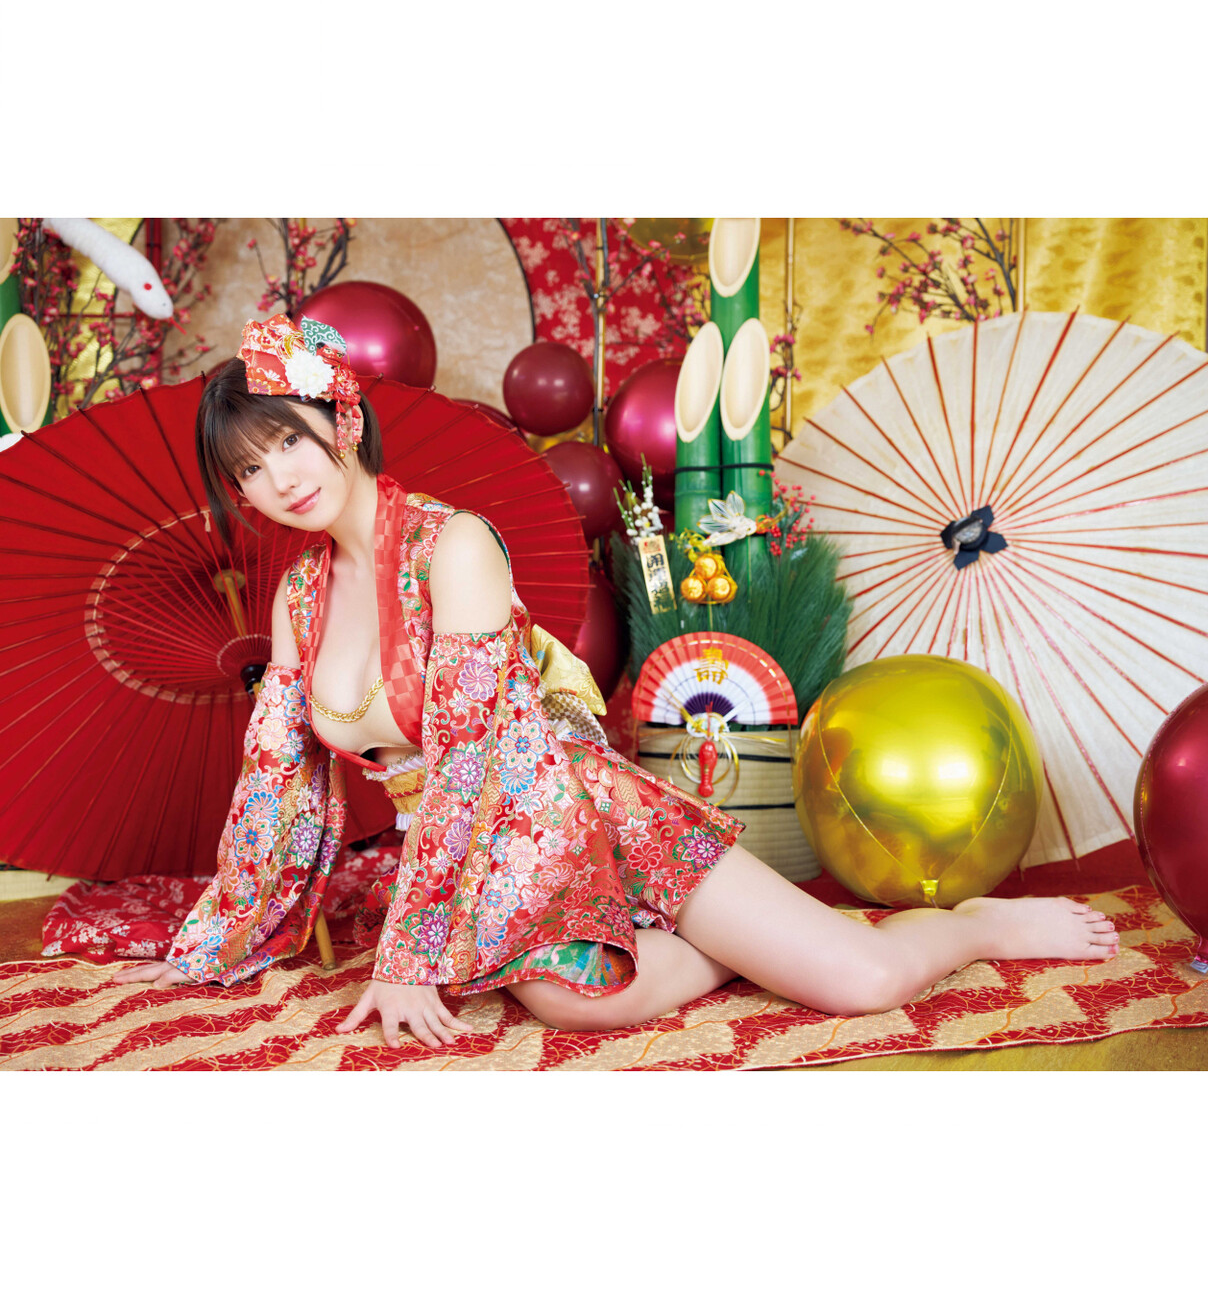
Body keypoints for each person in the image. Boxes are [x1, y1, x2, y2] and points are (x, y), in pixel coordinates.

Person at [115, 316, 1119, 1049]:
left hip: (571, 811)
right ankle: (738, 945)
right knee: (571, 1001)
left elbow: (469, 760)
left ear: (337, 414)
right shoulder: (298, 595)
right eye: (248, 471)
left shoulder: (452, 546)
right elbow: (276, 781)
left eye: (287, 439)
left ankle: (969, 927)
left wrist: (408, 955)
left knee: (861, 983)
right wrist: (226, 929)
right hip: (482, 855)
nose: (279, 478)